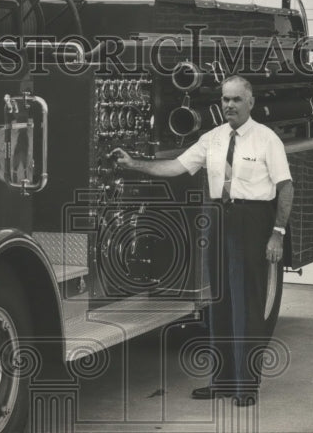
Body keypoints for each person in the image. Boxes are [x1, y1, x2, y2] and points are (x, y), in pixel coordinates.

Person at [109, 75, 293, 407]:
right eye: (225, 99)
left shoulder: (267, 140)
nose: (229, 105)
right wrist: (133, 163)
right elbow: (176, 167)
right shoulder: (212, 139)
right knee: (218, 303)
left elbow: (285, 188)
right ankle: (222, 381)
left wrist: (277, 233)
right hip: (219, 219)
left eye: (236, 99)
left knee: (247, 306)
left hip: (253, 219)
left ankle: (246, 385)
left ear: (250, 103)